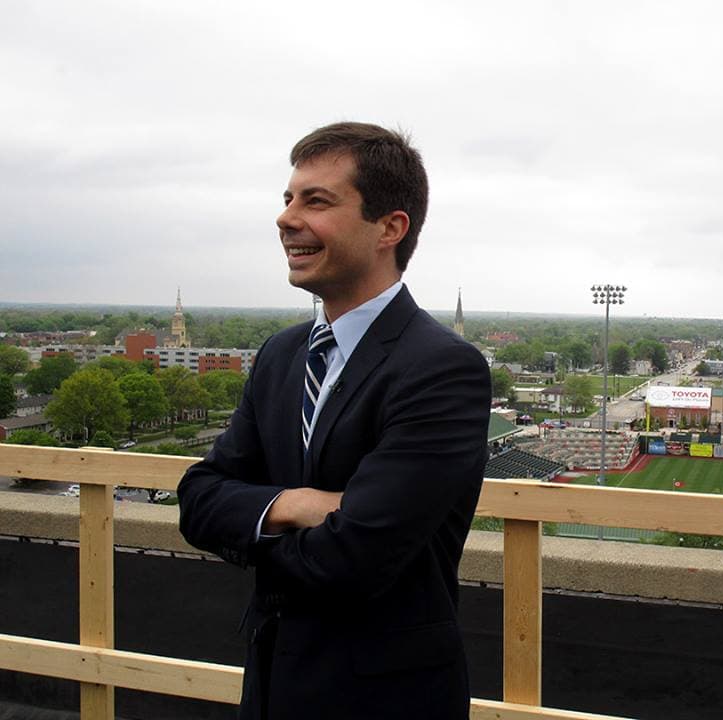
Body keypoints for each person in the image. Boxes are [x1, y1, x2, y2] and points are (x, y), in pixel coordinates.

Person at [177, 122, 491, 720]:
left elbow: (355, 558)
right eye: (288, 199)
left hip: (383, 698)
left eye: (316, 201)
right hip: (271, 684)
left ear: (389, 228)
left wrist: (247, 523)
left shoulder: (443, 368)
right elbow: (196, 498)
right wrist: (292, 505)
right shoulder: (280, 354)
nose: (286, 218)